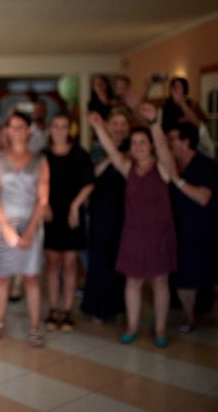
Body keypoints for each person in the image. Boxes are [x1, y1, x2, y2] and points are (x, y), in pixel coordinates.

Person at [89, 102, 177, 347]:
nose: (138, 147)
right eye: (135, 143)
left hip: (159, 233)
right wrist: (97, 126)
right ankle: (132, 326)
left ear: (150, 146)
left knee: (160, 282)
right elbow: (111, 149)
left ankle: (160, 330)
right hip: (134, 233)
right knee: (133, 281)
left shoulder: (162, 168)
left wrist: (154, 124)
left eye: (143, 142)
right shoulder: (128, 168)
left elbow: (163, 150)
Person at [0, 111, 49, 347]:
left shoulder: (40, 161)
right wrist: (7, 229)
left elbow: (42, 200)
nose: (18, 130)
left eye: (22, 126)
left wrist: (30, 231)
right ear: (8, 131)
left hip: (31, 223)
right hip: (4, 225)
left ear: (29, 129)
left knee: (31, 278)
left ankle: (34, 328)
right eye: (13, 126)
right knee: (2, 278)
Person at [43, 113, 94, 332]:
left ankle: (67, 310)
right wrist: (43, 204)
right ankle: (53, 309)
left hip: (72, 215)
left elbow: (89, 183)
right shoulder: (43, 155)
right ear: (50, 129)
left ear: (69, 130)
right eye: (56, 126)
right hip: (51, 215)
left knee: (71, 264)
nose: (60, 130)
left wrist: (76, 205)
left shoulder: (79, 154)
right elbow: (37, 183)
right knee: (53, 264)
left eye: (64, 126)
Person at [167, 123, 218, 332]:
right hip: (181, 233)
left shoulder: (206, 165)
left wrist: (177, 181)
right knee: (184, 279)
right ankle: (189, 319)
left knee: (214, 275)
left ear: (186, 141)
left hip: (208, 233)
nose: (169, 143)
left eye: (173, 138)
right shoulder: (173, 165)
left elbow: (203, 198)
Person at [81, 108, 130, 323]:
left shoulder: (135, 146)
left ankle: (119, 306)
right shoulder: (96, 149)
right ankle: (97, 308)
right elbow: (92, 175)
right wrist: (114, 156)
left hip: (127, 211)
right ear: (108, 126)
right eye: (115, 123)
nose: (119, 128)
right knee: (100, 259)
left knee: (122, 260)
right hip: (101, 211)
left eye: (123, 124)